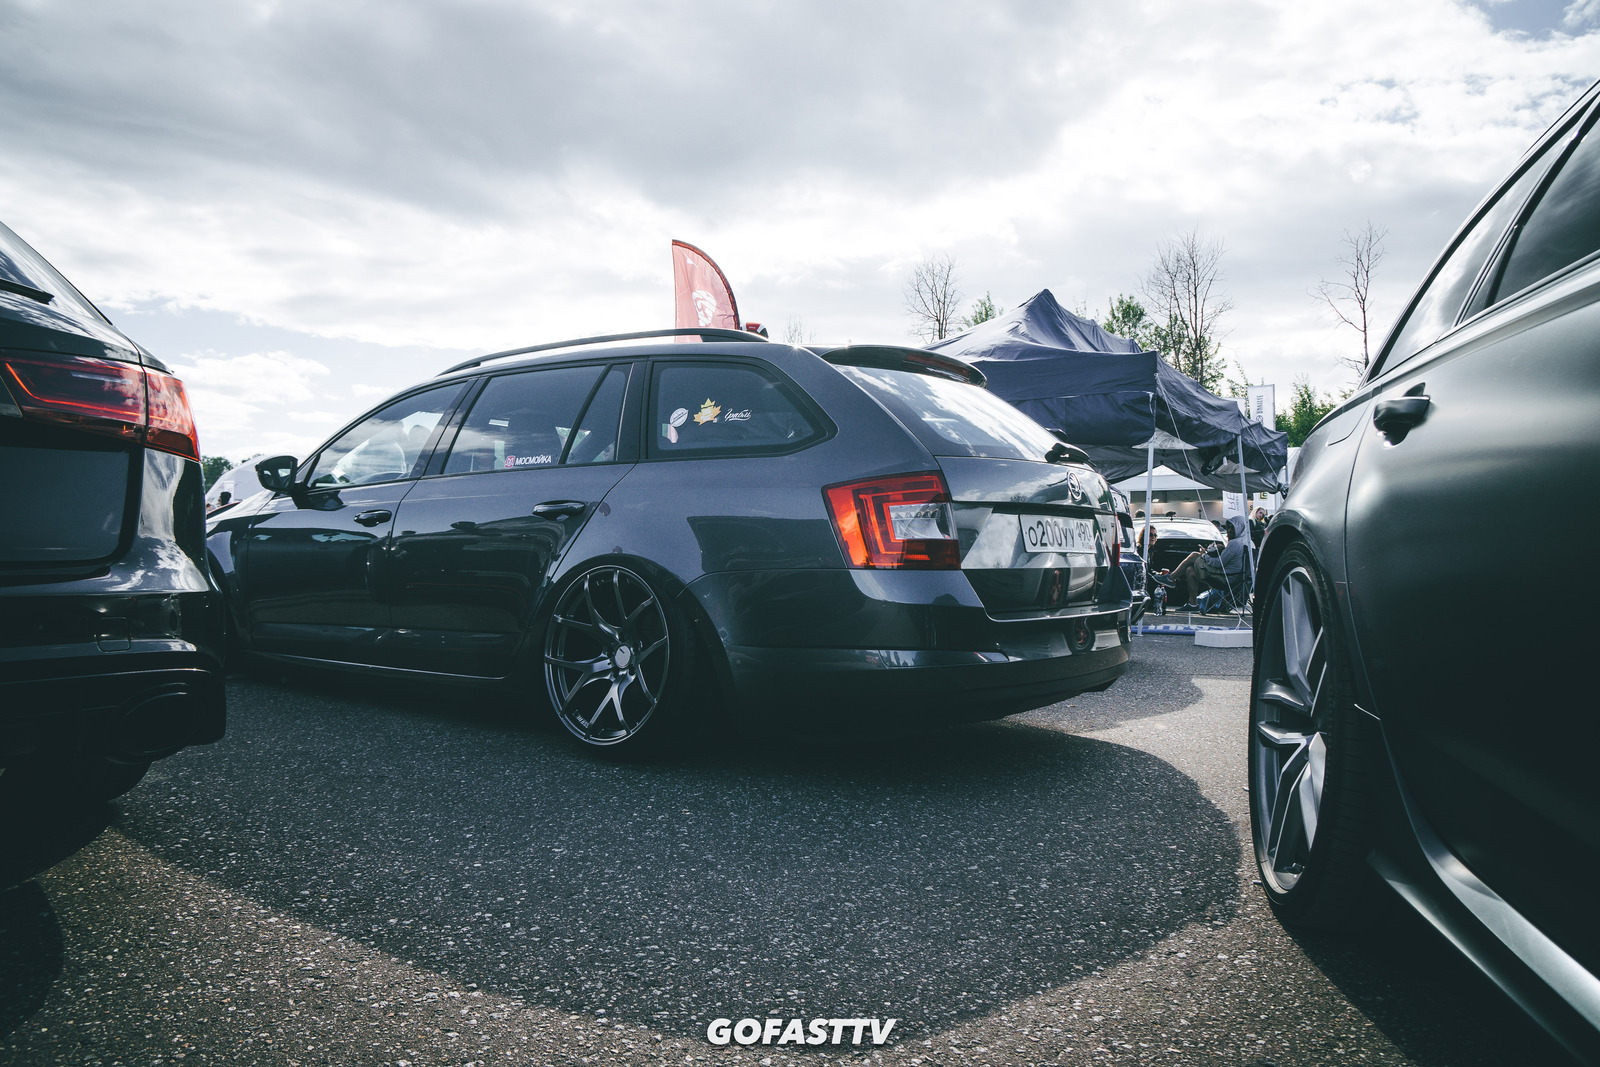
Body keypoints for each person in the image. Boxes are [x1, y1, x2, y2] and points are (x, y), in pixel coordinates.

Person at [1153, 514, 1252, 609]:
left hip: (1225, 578)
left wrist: (1204, 555)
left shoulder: (1234, 543)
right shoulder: (1247, 542)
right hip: (1236, 578)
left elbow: (1218, 564)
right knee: (1190, 570)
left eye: (1232, 528)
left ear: (1240, 528)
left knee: (1194, 555)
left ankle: (1171, 578)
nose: (1229, 531)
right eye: (1228, 527)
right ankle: (1192, 604)